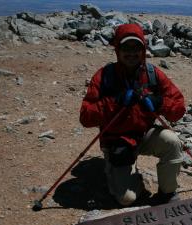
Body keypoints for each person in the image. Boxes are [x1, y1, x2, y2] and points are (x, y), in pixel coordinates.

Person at [80, 23, 186, 207]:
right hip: (117, 140)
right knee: (127, 199)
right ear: (117, 50)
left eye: (136, 47)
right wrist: (115, 101)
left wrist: (160, 102)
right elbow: (86, 117)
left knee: (172, 141)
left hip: (144, 134)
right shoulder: (104, 76)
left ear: (143, 49)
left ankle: (167, 194)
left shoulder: (153, 74)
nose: (131, 53)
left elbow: (178, 110)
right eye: (125, 48)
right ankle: (121, 173)